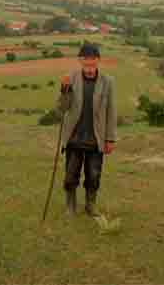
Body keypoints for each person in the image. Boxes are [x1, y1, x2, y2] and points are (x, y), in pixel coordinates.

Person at [57, 42, 117, 217]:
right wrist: (64, 89)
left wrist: (110, 139)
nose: (90, 68)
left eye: (93, 64)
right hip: (74, 137)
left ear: (98, 61)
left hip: (96, 138)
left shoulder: (108, 82)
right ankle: (70, 206)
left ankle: (91, 206)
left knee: (93, 175)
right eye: (86, 64)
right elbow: (62, 108)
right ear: (80, 61)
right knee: (70, 175)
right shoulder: (71, 78)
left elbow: (111, 111)